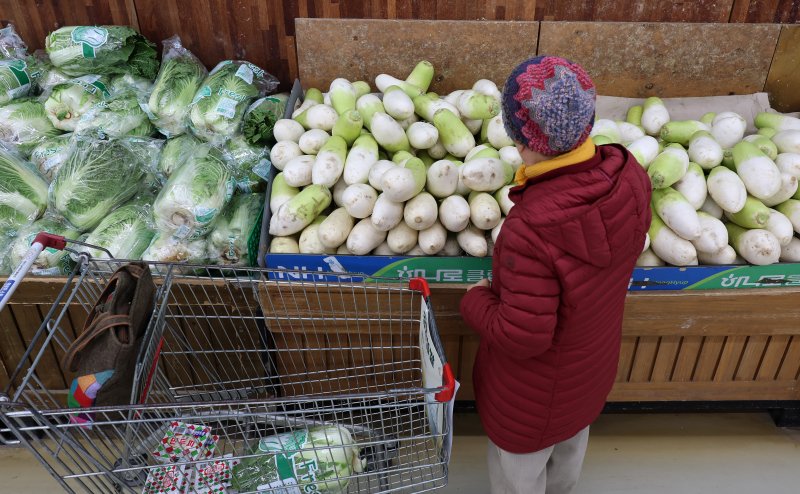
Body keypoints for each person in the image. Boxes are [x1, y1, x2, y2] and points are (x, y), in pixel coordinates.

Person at [459, 56, 652, 494]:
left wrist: (475, 300)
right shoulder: (629, 173)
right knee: (569, 446)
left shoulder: (532, 228)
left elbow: (524, 335)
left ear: (521, 139)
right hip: (590, 369)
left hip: (531, 396)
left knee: (519, 474)